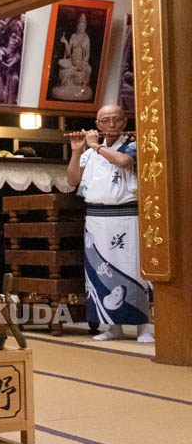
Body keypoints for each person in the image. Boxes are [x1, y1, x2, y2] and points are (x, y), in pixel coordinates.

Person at [66, 104, 153, 342]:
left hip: (126, 217)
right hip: (96, 219)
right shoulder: (90, 152)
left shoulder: (133, 145)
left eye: (116, 119)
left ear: (124, 122)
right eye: (105, 121)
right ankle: (112, 327)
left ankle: (143, 327)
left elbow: (123, 162)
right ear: (97, 124)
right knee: (100, 271)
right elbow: (72, 180)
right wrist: (77, 151)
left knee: (132, 270)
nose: (111, 124)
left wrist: (96, 146)